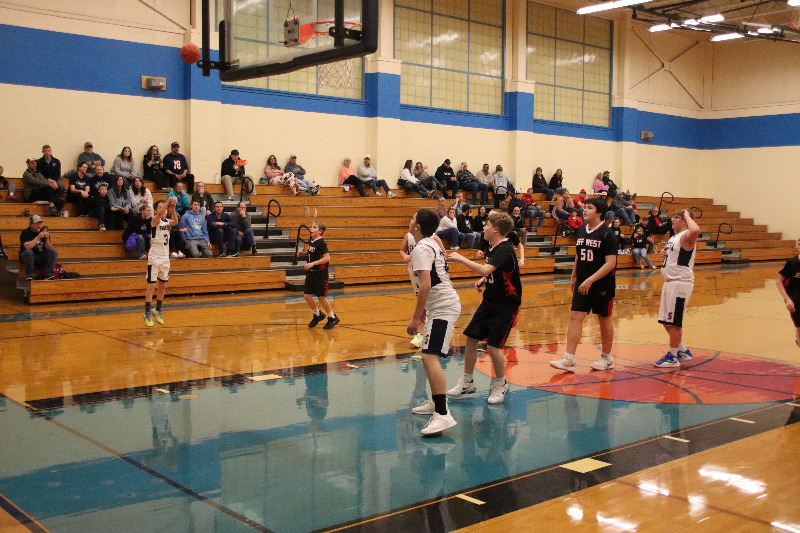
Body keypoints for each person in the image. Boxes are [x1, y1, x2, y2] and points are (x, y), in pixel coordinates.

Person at [447, 210, 521, 405]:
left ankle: (500, 383)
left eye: (486, 225)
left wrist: (461, 258)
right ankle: (467, 381)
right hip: (490, 300)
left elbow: (486, 268)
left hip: (506, 304)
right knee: (471, 337)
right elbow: (496, 271)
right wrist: (485, 279)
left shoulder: (504, 249)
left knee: (494, 346)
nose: (483, 228)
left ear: (496, 229)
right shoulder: (493, 246)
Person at [407, 209, 462, 435]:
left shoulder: (422, 248)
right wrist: (424, 309)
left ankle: (442, 413)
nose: (410, 221)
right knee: (427, 355)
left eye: (413, 218)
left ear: (417, 226)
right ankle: (435, 401)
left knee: (429, 356)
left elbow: (426, 284)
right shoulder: (431, 242)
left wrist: (415, 317)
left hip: (443, 307)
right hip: (437, 306)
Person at [550, 197, 618, 373]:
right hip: (582, 282)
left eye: (589, 207)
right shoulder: (581, 230)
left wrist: (591, 280)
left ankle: (607, 358)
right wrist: (574, 275)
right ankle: (569, 359)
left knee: (603, 318)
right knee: (575, 316)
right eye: (585, 207)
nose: (585, 210)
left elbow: (611, 263)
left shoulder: (607, 234)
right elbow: (578, 255)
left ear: (600, 212)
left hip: (602, 284)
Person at [653, 209, 700, 368]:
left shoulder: (688, 234)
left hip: (680, 282)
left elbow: (696, 230)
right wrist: (665, 254)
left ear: (685, 221)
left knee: (674, 323)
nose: (672, 220)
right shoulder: (675, 236)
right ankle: (682, 351)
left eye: (677, 217)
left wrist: (687, 214)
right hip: (669, 281)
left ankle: (673, 357)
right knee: (666, 320)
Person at [400, 227, 446, 349]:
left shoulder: (434, 238)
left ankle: (427, 332)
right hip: (415, 271)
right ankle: (420, 333)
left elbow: (444, 255)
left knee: (431, 302)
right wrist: (405, 256)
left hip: (430, 273)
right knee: (421, 302)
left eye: (414, 220)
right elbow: (402, 250)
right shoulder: (408, 236)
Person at [143, 198, 179, 327]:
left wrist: (172, 210)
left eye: (163, 208)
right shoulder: (154, 220)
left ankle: (157, 309)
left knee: (163, 284)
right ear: (155, 211)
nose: (163, 210)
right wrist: (168, 202)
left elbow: (175, 221)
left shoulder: (167, 221)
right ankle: (147, 313)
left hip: (165, 257)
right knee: (151, 285)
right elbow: (159, 214)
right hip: (154, 257)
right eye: (160, 207)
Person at [298, 221, 339, 329]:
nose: (311, 228)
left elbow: (327, 258)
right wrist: (304, 254)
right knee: (307, 296)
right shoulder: (311, 240)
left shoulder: (321, 243)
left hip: (320, 274)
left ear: (320, 231)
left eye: (314, 227)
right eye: (311, 227)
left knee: (321, 297)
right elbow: (314, 254)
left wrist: (312, 264)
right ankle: (317, 314)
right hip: (311, 273)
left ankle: (332, 317)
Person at [776, 237, 800, 349]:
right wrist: (787, 299)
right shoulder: (792, 263)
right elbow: (778, 282)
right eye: (799, 245)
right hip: (795, 301)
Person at [19, 215, 58, 281]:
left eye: (40, 224)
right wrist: (38, 237)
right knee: (28, 252)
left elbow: (49, 248)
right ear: (30, 224)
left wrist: (47, 239)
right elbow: (27, 247)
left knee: (53, 251)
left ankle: (48, 274)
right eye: (37, 224)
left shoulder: (43, 231)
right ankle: (30, 275)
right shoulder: (25, 232)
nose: (39, 226)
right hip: (27, 256)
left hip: (40, 256)